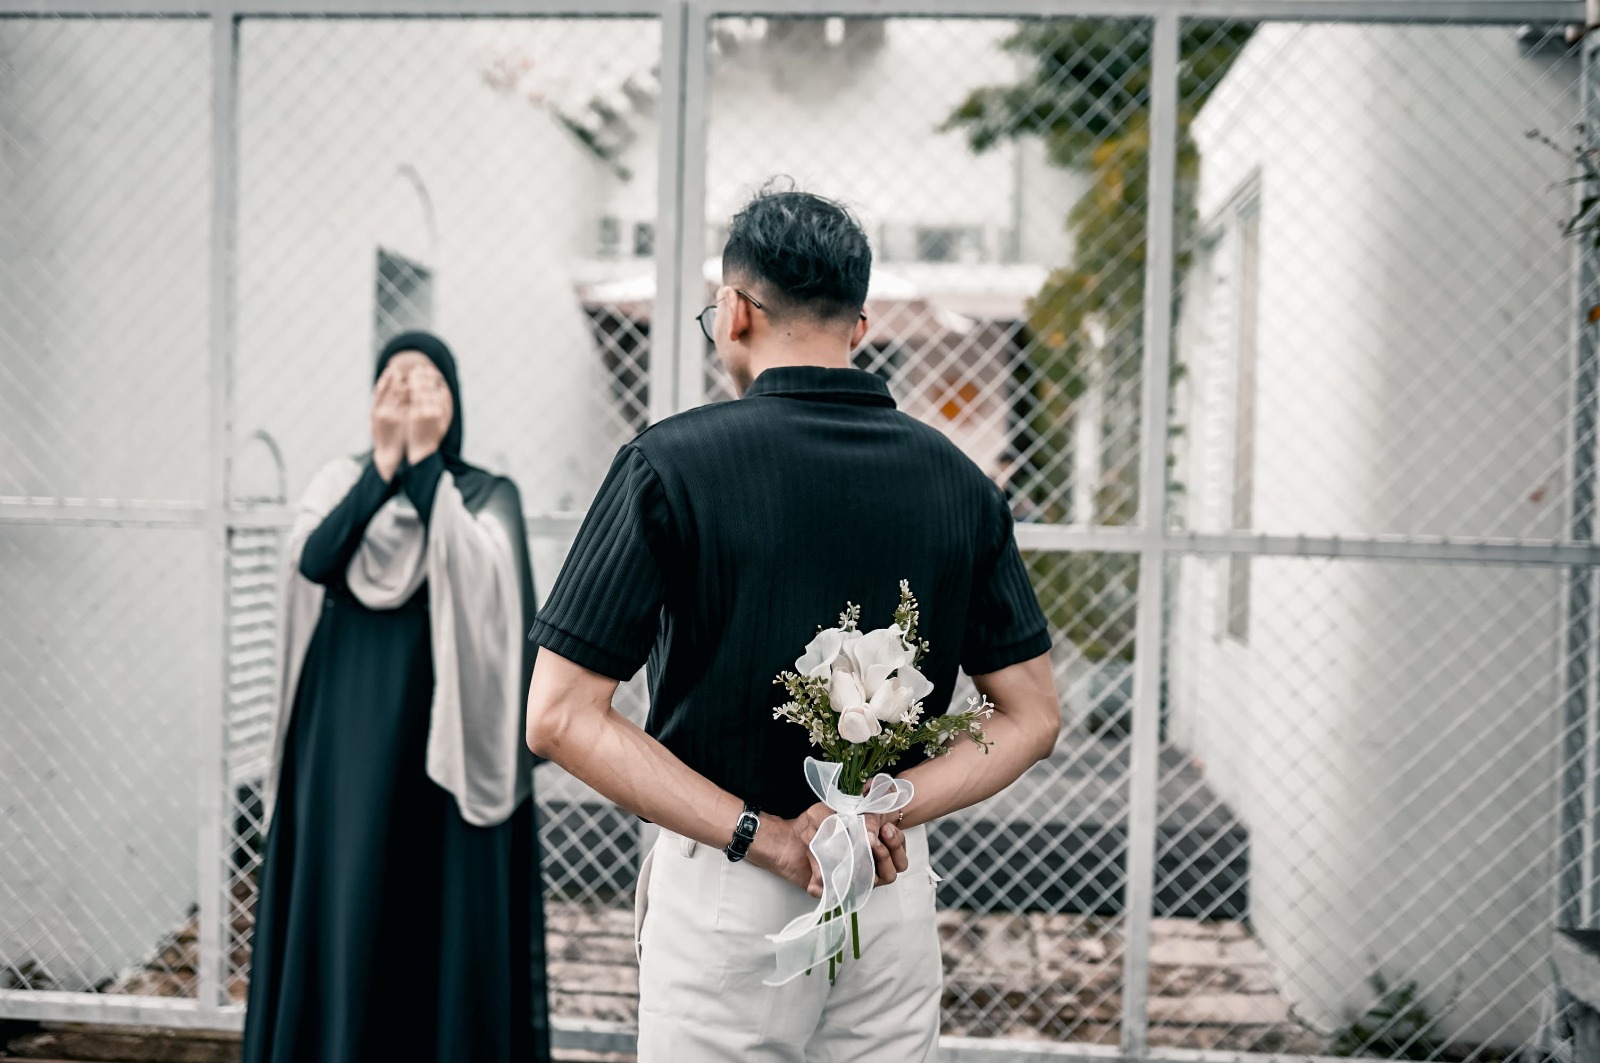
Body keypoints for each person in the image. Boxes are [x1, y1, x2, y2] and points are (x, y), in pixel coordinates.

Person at [525, 189, 1061, 1061]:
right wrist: (877, 808)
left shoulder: (668, 465)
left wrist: (766, 836)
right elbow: (1033, 716)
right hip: (885, 884)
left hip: (726, 891)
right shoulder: (961, 483)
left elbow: (557, 716)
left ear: (734, 312)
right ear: (860, 326)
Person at [243, 332, 552, 1063]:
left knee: (428, 897)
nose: (410, 394)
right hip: (341, 733)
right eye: (394, 381)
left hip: (443, 736)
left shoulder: (487, 493)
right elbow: (316, 559)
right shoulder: (339, 480)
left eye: (427, 382)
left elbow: (491, 587)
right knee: (346, 885)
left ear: (455, 400)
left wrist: (423, 465)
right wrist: (385, 465)